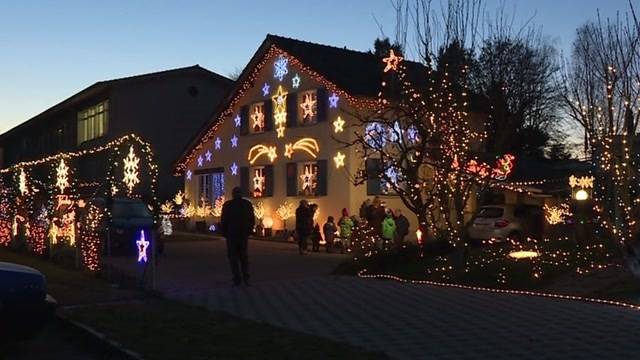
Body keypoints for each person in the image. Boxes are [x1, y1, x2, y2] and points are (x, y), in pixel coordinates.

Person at [220, 187, 255, 286]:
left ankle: (237, 278)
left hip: (232, 234)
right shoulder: (247, 204)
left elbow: (224, 220)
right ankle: (246, 277)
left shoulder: (228, 205)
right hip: (242, 234)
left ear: (233, 194)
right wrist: (249, 231)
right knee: (243, 256)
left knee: (233, 258)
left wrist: (224, 232)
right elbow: (252, 219)